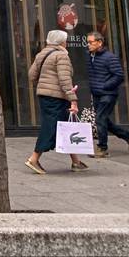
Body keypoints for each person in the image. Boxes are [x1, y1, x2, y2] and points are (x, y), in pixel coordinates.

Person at [25, 29, 88, 174]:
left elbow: (31, 75)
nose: (66, 42)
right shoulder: (61, 55)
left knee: (66, 127)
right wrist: (73, 100)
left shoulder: (42, 54)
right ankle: (33, 159)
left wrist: (43, 86)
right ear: (61, 42)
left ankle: (76, 162)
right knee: (50, 126)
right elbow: (65, 80)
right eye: (65, 40)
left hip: (44, 95)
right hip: (57, 98)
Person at [87, 31, 129, 158]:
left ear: (99, 43)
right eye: (87, 42)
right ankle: (128, 136)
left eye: (91, 42)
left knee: (100, 119)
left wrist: (105, 86)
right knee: (104, 121)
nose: (88, 45)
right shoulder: (90, 56)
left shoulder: (110, 57)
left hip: (108, 94)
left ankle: (102, 148)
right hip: (97, 93)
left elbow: (119, 76)